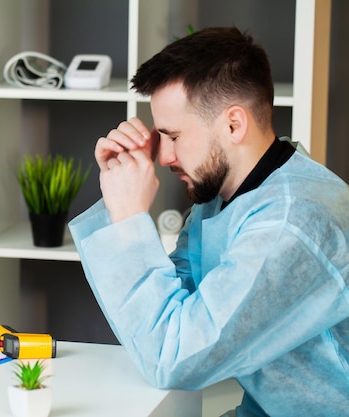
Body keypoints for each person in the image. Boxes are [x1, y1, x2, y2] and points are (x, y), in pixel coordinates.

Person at [68, 27, 349, 417]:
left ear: (233, 125)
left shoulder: (291, 224)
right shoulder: (226, 194)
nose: (163, 156)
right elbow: (170, 308)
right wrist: (120, 203)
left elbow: (174, 357)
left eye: (173, 136)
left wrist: (131, 220)